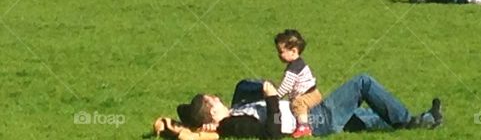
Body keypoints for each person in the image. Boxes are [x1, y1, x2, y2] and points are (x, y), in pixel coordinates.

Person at [154, 76, 442, 138]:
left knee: (367, 119)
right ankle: (409, 121)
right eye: (213, 100)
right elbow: (272, 133)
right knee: (362, 84)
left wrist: (264, 87)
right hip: (315, 120)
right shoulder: (234, 124)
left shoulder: (236, 108)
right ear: (213, 112)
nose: (218, 98)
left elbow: (243, 84)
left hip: (311, 114)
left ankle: (425, 120)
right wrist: (269, 99)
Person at [274, 29, 322, 137]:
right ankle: (299, 124)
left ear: (294, 51)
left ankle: (304, 127)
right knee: (294, 103)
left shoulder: (294, 68)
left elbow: (286, 86)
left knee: (298, 103)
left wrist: (275, 97)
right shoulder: (297, 64)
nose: (279, 55)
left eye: (281, 51)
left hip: (309, 95)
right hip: (312, 93)